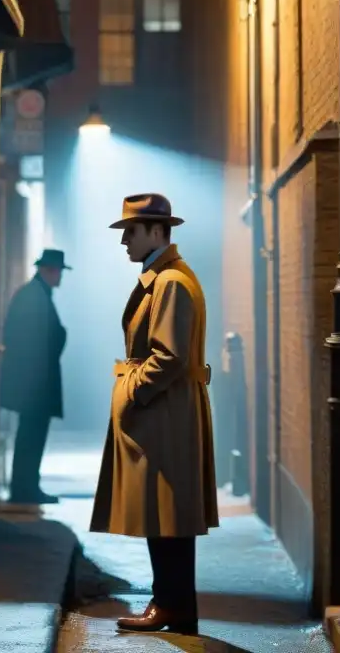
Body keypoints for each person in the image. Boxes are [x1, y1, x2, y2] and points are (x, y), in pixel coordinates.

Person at [90, 193, 219, 635]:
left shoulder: (169, 283)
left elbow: (169, 357)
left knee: (167, 515)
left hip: (164, 412)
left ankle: (172, 606)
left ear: (157, 231)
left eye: (131, 231)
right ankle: (171, 604)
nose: (124, 240)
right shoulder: (166, 278)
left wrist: (134, 392)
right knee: (165, 515)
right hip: (165, 411)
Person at [0, 248, 69, 505]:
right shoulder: (34, 297)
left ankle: (27, 486)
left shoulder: (35, 294)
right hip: (34, 384)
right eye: (58, 271)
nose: (60, 276)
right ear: (48, 271)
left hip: (33, 383)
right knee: (31, 435)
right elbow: (38, 340)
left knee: (31, 435)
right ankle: (25, 488)